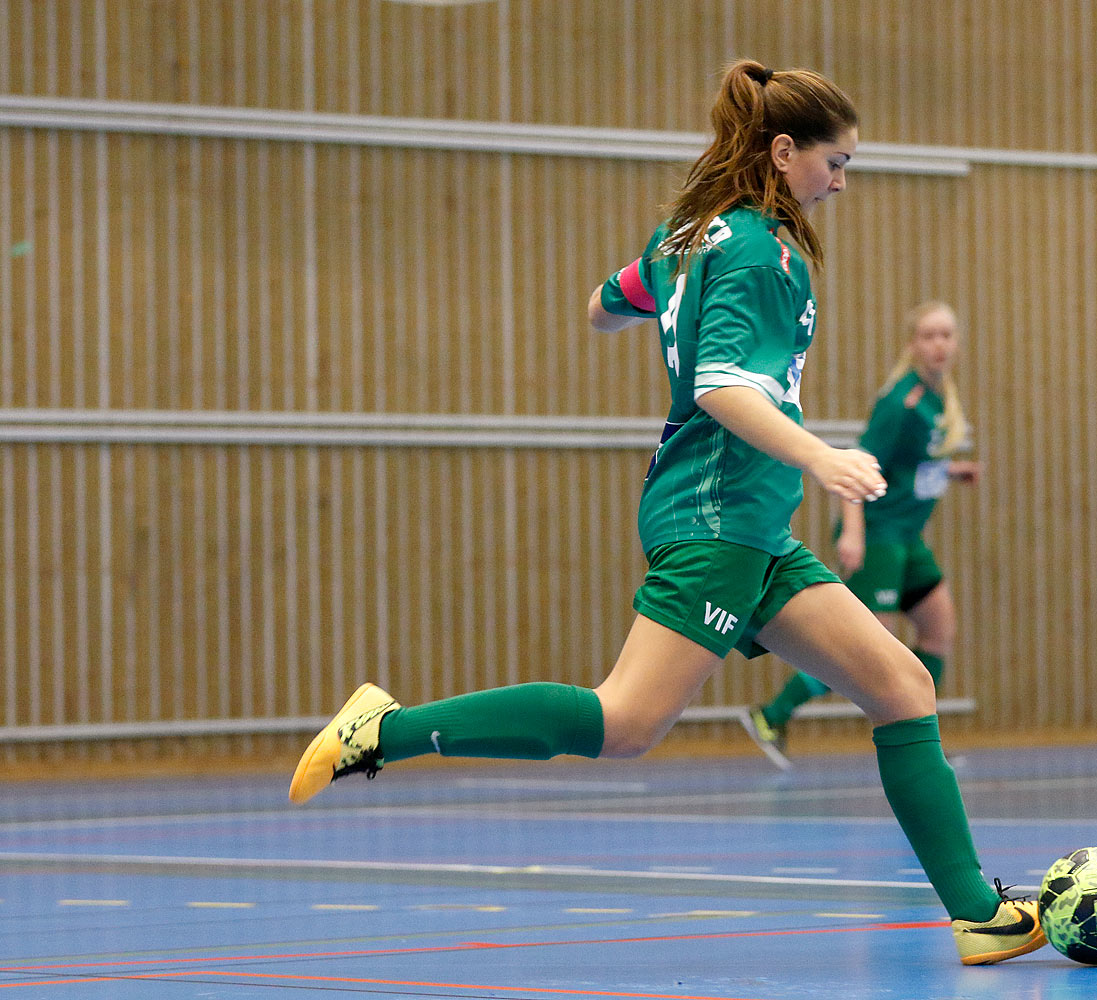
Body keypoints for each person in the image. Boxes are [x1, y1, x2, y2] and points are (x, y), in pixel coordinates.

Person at [288, 60, 1043, 967]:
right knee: (624, 724)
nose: (840, 182)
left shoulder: (690, 233)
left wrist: (642, 314)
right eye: (833, 163)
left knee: (902, 687)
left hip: (752, 526)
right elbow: (725, 385)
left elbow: (606, 304)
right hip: (717, 512)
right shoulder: (766, 251)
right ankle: (384, 729)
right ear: (782, 150)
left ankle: (979, 915)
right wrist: (821, 457)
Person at [742, 301, 981, 770]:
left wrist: (951, 471)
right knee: (875, 651)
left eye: (947, 335)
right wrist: (853, 533)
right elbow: (861, 463)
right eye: (929, 336)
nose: (939, 345)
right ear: (913, 344)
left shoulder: (936, 400)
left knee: (938, 629)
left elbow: (908, 466)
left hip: (908, 538)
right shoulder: (902, 403)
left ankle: (926, 742)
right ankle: (772, 715)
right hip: (879, 536)